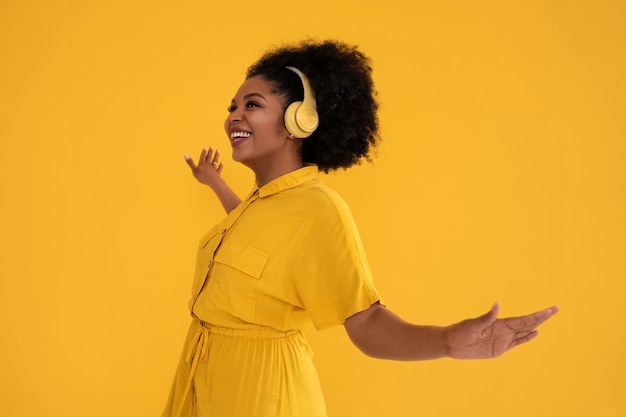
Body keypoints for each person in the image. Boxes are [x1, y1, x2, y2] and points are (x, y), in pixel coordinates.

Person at [162, 39, 558, 417]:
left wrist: (446, 340)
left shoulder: (319, 210)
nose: (234, 115)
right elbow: (252, 238)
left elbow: (366, 320)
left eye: (252, 104)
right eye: (232, 106)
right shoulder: (260, 203)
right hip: (202, 383)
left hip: (259, 396)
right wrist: (215, 182)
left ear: (300, 120)